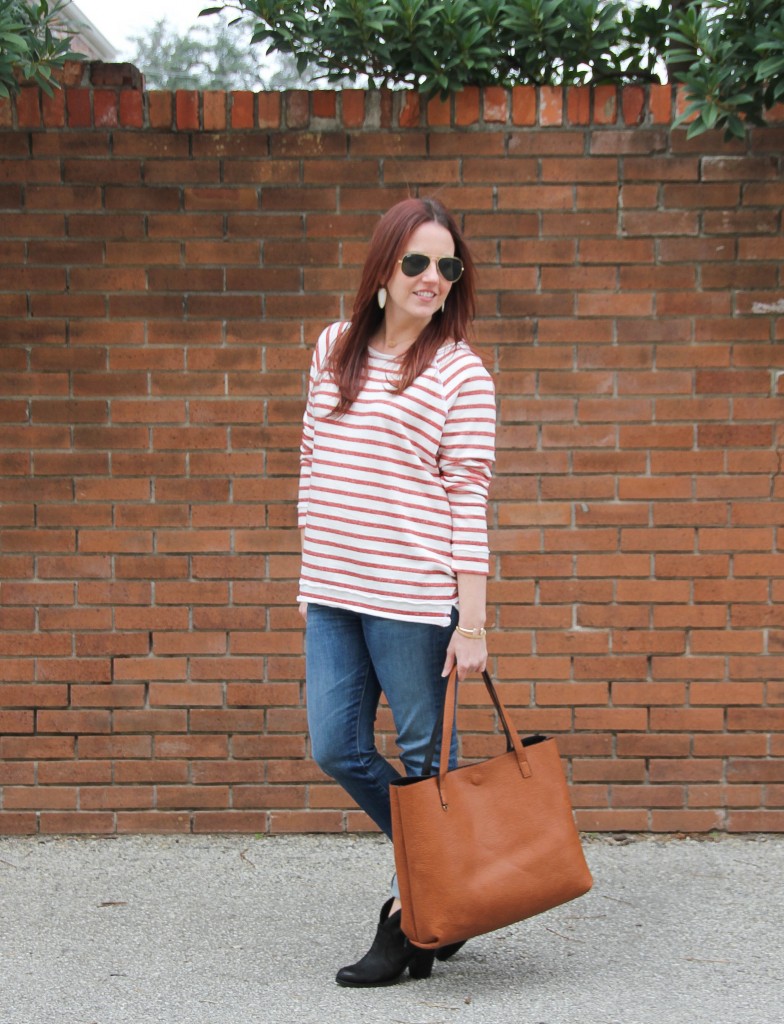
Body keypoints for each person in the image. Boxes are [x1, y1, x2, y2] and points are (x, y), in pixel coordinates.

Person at [296, 197, 496, 987]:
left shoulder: (460, 372)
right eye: (416, 262)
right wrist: (310, 577)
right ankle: (449, 868)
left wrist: (471, 623)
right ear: (383, 268)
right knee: (335, 746)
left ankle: (408, 919)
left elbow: (468, 497)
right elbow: (312, 464)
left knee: (424, 765)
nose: (432, 278)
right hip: (334, 594)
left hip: (414, 602)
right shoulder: (334, 347)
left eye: (448, 266)